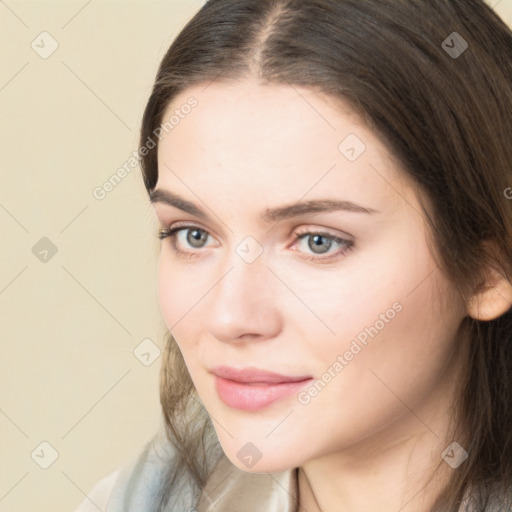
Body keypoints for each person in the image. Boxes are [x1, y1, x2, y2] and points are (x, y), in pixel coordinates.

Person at [75, 0, 512, 510]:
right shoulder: (141, 499)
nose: (228, 317)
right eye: (192, 234)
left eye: (317, 241)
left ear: (488, 270)